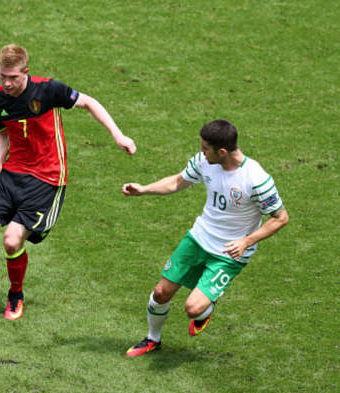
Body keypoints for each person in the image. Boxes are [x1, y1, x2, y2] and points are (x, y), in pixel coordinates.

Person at [0, 44, 136, 319]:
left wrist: (118, 135)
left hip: (46, 180)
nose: (7, 83)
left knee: (12, 241)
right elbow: (3, 132)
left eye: (13, 77)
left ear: (26, 72)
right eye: (2, 76)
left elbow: (89, 102)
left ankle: (15, 294)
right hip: (10, 172)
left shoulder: (49, 90)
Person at [122, 119, 288, 357]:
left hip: (229, 254)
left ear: (222, 152)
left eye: (205, 148)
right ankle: (152, 339)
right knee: (161, 293)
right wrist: (144, 189)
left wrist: (246, 241)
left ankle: (207, 306)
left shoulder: (256, 179)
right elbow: (179, 181)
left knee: (193, 309)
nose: (200, 152)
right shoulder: (205, 161)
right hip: (198, 238)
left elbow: (281, 218)